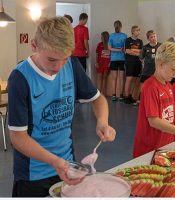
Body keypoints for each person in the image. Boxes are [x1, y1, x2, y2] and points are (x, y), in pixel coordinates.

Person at [7, 17, 116, 197]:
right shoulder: (20, 78)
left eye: (64, 59)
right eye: (51, 59)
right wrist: (54, 161)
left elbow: (98, 99)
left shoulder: (71, 66)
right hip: (33, 175)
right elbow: (18, 137)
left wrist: (102, 122)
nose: (58, 67)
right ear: (34, 46)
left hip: (67, 167)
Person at [108, 20, 127, 101]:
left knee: (114, 78)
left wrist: (115, 50)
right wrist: (120, 50)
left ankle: (114, 95)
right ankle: (121, 95)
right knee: (121, 78)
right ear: (121, 26)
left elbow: (109, 48)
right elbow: (125, 48)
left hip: (114, 59)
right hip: (122, 58)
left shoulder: (111, 35)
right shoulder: (124, 35)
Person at [124, 25, 143, 105]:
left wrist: (135, 52)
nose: (138, 32)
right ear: (132, 32)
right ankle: (126, 96)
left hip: (138, 62)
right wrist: (137, 53)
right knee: (129, 79)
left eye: (139, 30)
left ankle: (131, 96)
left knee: (135, 80)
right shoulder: (128, 40)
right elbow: (127, 51)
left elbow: (141, 52)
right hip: (129, 62)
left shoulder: (140, 41)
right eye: (136, 30)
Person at [95, 31, 110, 95]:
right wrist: (96, 62)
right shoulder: (99, 44)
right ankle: (98, 92)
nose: (101, 38)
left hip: (107, 64)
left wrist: (110, 62)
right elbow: (97, 54)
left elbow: (111, 54)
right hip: (100, 63)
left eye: (102, 37)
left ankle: (102, 93)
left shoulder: (109, 44)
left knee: (104, 78)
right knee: (99, 78)